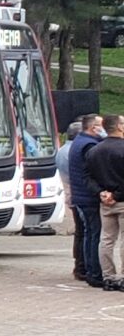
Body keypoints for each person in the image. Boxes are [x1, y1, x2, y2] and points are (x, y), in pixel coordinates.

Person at [65, 115, 107, 284]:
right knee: (94, 234)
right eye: (100, 125)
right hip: (89, 197)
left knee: (88, 233)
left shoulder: (79, 141)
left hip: (81, 196)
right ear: (93, 128)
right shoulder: (89, 145)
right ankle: (93, 271)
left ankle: (88, 269)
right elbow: (93, 171)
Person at [85, 116, 124, 291]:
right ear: (119, 127)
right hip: (120, 199)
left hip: (105, 201)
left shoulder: (95, 150)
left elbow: (87, 177)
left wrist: (101, 192)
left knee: (106, 239)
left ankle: (108, 276)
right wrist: (116, 194)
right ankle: (122, 276)